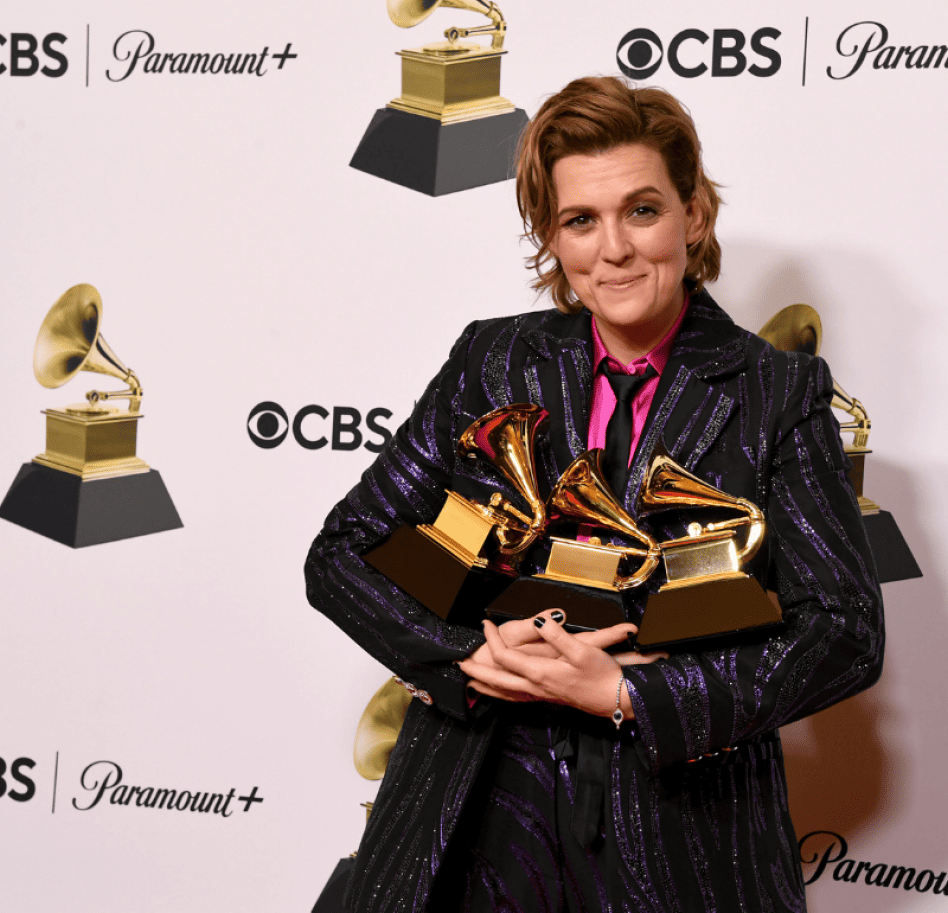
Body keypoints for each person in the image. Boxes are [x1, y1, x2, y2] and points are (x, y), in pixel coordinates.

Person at [304, 76, 884, 913]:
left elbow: (844, 632)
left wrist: (625, 693)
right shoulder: (491, 362)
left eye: (641, 210)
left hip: (681, 831)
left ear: (694, 213)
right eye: (581, 220)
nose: (613, 249)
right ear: (553, 237)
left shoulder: (779, 391)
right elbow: (341, 553)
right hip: (471, 807)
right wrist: (467, 655)